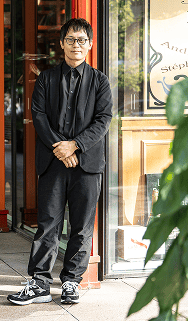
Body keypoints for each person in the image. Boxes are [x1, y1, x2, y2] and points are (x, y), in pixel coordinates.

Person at [7, 18, 113, 306]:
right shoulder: (46, 78)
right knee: (47, 224)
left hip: (87, 164)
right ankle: (40, 283)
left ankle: (70, 282)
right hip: (53, 162)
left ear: (90, 45)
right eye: (70, 40)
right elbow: (38, 116)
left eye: (81, 40)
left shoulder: (100, 81)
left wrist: (75, 145)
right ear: (62, 44)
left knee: (81, 226)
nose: (76, 45)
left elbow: (103, 119)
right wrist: (62, 149)